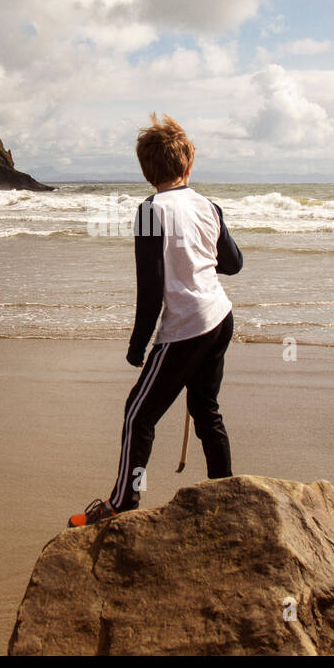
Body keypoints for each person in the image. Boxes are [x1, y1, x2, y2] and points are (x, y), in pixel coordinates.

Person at [69, 114, 243, 528]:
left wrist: (137, 344)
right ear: (188, 166)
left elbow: (150, 289)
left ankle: (123, 501)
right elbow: (233, 264)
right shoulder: (209, 206)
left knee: (137, 415)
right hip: (220, 318)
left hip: (186, 328)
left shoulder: (150, 211)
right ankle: (227, 493)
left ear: (147, 173)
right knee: (206, 411)